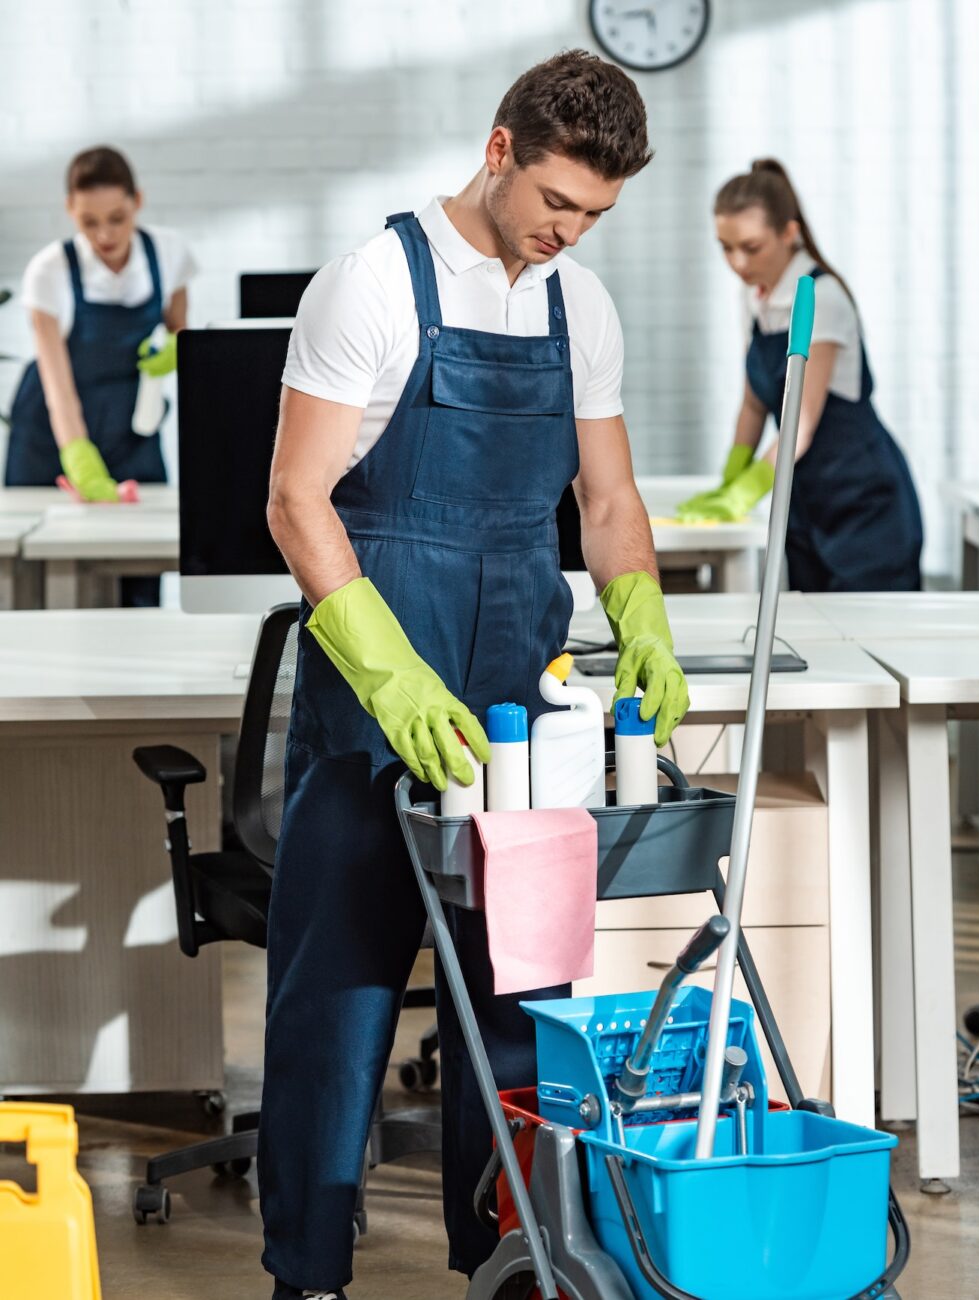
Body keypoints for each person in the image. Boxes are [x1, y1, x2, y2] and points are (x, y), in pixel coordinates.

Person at [260, 49, 690, 1300]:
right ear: (501, 149)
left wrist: (641, 615)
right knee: (338, 999)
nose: (569, 231)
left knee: (519, 998)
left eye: (596, 214)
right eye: (558, 200)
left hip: (521, 694)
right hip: (377, 681)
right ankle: (308, 1274)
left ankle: (505, 1259)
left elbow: (604, 505)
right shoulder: (372, 284)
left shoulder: (580, 308)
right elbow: (296, 499)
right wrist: (390, 679)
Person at [678, 158, 923, 592]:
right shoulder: (754, 297)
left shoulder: (820, 297)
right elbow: (754, 402)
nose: (736, 262)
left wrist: (744, 494)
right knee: (811, 637)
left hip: (863, 503)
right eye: (725, 246)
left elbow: (800, 423)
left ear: (788, 233)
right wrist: (730, 478)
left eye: (750, 248)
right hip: (804, 498)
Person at [4, 145, 194, 604]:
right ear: (70, 208)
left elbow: (181, 334)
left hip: (131, 430)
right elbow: (56, 383)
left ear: (138, 202)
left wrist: (177, 350)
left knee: (140, 573)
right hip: (52, 436)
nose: (105, 234)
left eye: (117, 217)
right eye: (89, 221)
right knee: (36, 578)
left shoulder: (168, 253)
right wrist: (78, 456)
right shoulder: (49, 271)